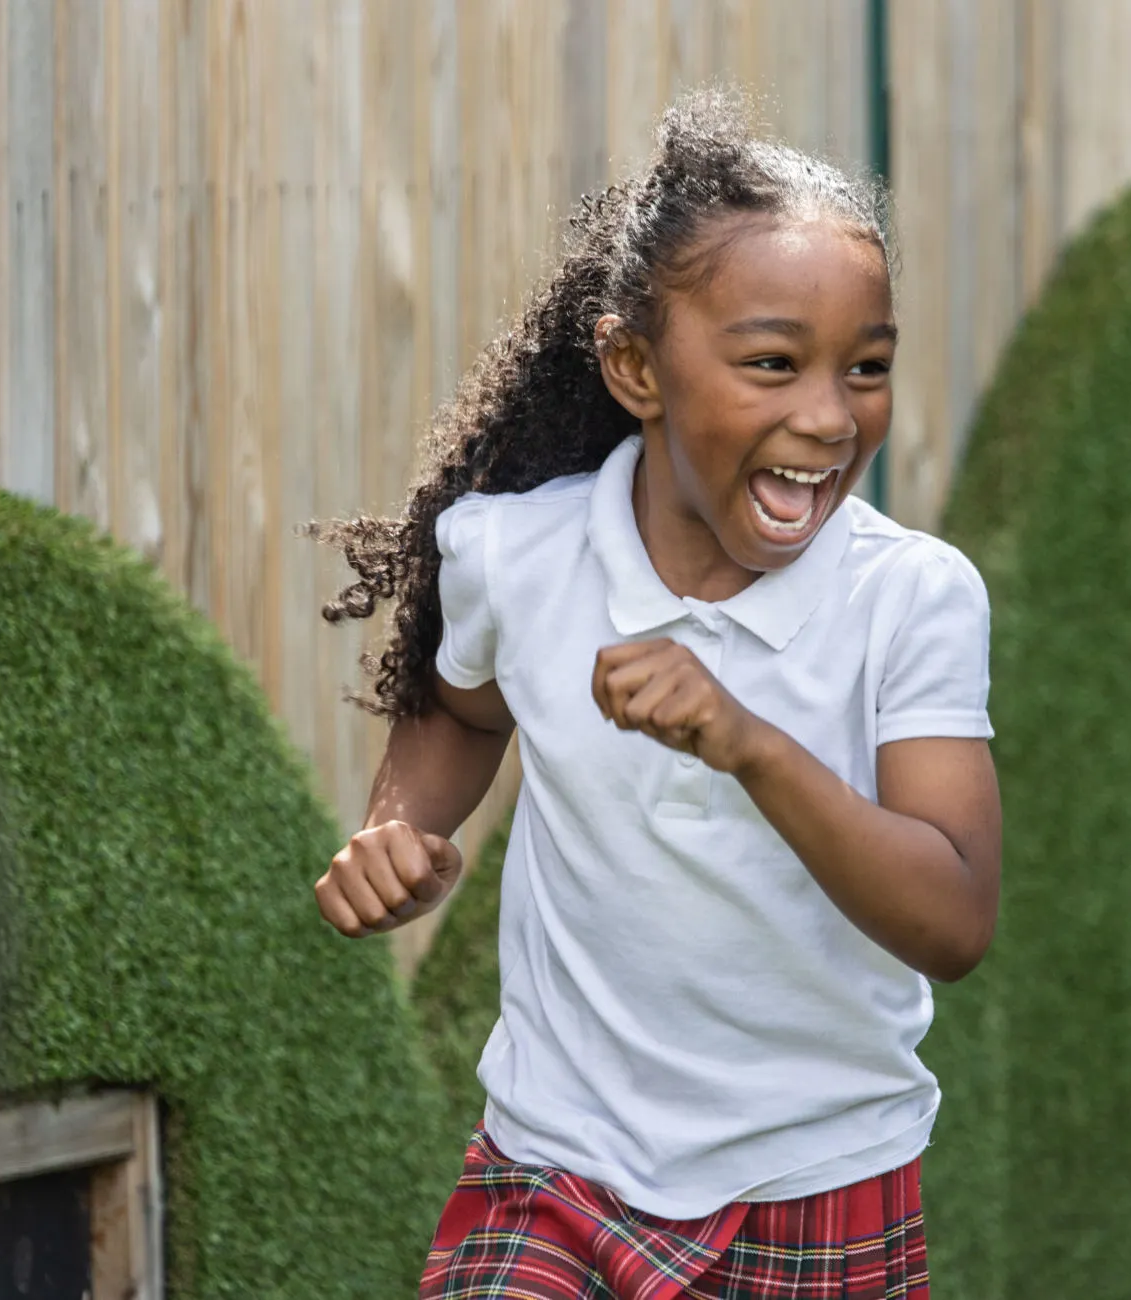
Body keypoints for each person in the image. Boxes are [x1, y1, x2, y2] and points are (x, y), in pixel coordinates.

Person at [312, 89, 1000, 1299]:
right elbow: (460, 711)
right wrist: (401, 830)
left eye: (867, 368)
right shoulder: (516, 554)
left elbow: (952, 920)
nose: (830, 415)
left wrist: (750, 744)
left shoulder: (912, 599)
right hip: (557, 1163)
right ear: (637, 365)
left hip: (818, 1178)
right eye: (773, 363)